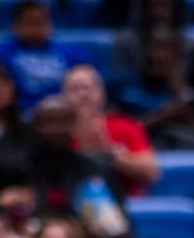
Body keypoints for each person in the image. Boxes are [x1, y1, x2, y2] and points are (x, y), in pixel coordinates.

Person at [62, 64, 159, 197]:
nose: (83, 94)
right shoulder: (57, 133)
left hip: (123, 201)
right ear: (64, 96)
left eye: (88, 88)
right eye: (75, 89)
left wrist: (109, 155)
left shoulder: (126, 125)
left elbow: (151, 173)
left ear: (102, 94)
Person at [0, 0, 86, 111]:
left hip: (62, 113)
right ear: (15, 26)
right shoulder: (2, 54)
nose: (37, 28)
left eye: (41, 22)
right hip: (18, 113)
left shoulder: (71, 54)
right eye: (30, 22)